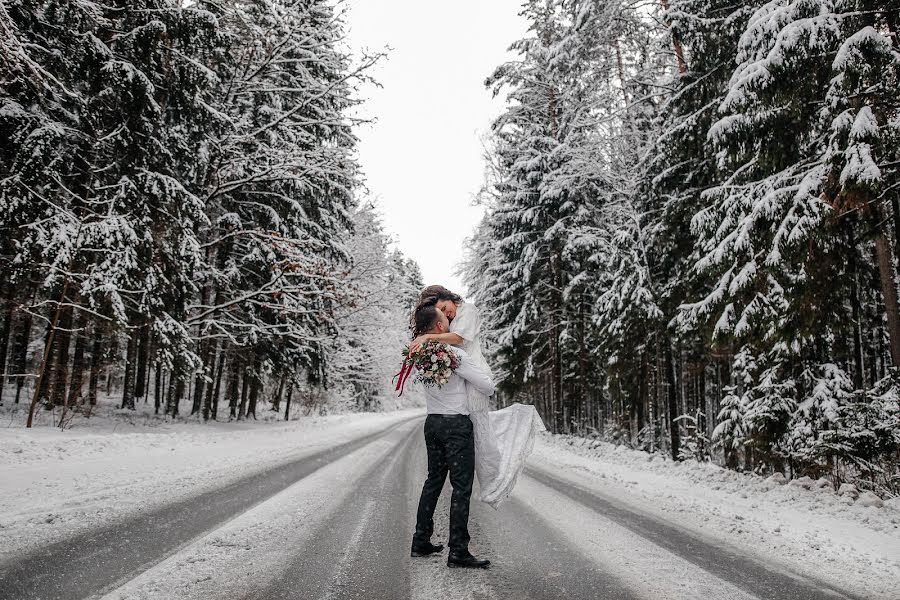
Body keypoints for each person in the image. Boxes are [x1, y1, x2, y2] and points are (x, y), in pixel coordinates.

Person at [409, 285, 545, 508]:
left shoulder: (468, 310)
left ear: (449, 297)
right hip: (462, 375)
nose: (447, 313)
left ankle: (494, 478)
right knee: (476, 431)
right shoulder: (447, 323)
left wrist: (426, 338)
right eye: (442, 312)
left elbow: (460, 339)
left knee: (479, 430)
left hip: (474, 375)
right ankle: (486, 477)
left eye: (445, 307)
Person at [410, 303, 493, 569]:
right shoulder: (453, 354)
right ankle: (458, 550)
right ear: (438, 327)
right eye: (444, 320)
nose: (449, 322)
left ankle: (421, 540)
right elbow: (487, 386)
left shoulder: (419, 353)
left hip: (432, 422)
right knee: (461, 488)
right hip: (456, 425)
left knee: (433, 481)